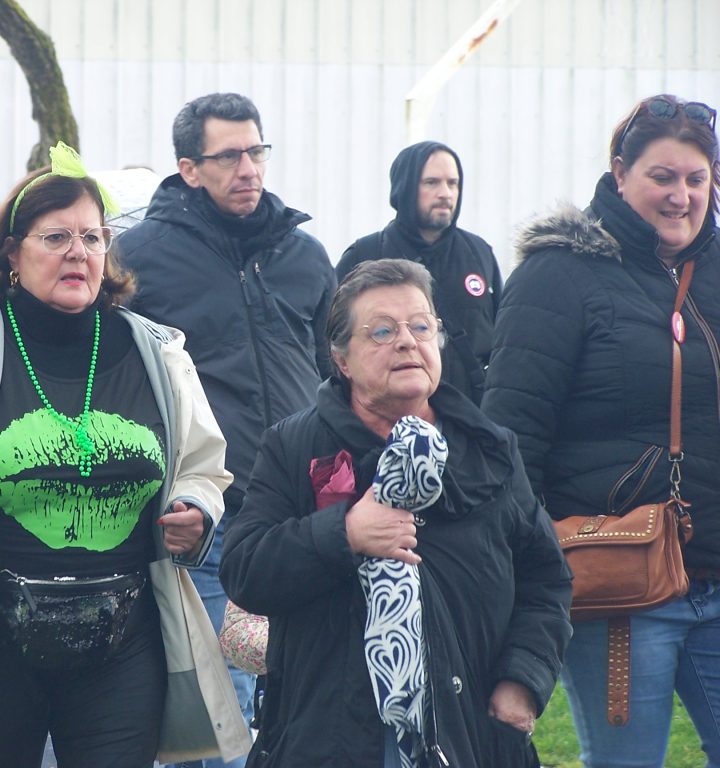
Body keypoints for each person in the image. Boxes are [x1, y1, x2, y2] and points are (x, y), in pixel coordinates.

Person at [0, 143, 251, 768]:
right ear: (12, 253)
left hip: (124, 646)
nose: (79, 252)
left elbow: (204, 463)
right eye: (57, 237)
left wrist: (195, 507)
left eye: (93, 238)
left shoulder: (156, 351)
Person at [219, 259, 572, 767]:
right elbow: (245, 570)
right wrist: (344, 532)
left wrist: (523, 679)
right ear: (342, 359)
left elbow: (546, 577)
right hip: (332, 736)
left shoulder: (489, 449)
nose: (407, 341)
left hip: (471, 728)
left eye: (421, 326)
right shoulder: (295, 445)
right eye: (382, 331)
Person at [482, 93, 720, 767]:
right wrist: (527, 577)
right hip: (617, 580)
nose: (681, 196)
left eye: (697, 180)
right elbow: (512, 437)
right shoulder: (559, 275)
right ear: (620, 175)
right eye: (662, 177)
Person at [115, 93, 336, 766]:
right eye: (229, 155)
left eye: (257, 151)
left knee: (308, 695)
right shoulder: (137, 259)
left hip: (304, 515)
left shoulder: (303, 254)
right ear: (189, 168)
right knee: (220, 712)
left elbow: (338, 371)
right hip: (207, 519)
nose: (248, 168)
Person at [336, 142, 501, 404]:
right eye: (432, 183)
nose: (445, 193)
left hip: (469, 419)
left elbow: (501, 341)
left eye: (453, 183)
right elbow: (334, 342)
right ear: (406, 187)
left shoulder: (479, 253)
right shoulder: (365, 255)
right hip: (389, 417)